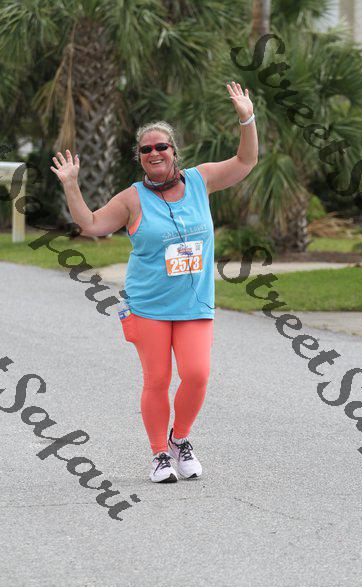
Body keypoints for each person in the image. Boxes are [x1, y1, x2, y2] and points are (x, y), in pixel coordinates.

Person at [50, 80, 258, 483]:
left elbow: (246, 160)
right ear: (140, 158)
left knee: (196, 374)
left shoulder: (200, 180)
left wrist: (246, 118)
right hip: (148, 306)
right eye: (146, 150)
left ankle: (180, 439)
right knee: (157, 380)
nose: (154, 153)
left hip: (194, 303)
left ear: (174, 151)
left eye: (161, 146)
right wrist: (71, 185)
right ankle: (159, 454)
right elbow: (90, 224)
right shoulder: (131, 198)